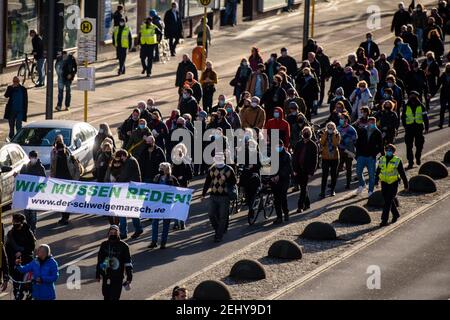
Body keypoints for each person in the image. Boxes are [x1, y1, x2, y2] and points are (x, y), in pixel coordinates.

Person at [202, 153, 237, 242]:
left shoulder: (229, 169)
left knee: (223, 217)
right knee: (211, 214)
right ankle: (218, 229)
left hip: (224, 197)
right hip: (213, 195)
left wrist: (226, 178)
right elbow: (207, 182)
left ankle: (218, 235)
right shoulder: (212, 169)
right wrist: (203, 194)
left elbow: (234, 182)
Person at [375, 144, 409, 227]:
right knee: (388, 200)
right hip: (384, 183)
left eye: (390, 150)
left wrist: (406, 185)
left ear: (393, 152)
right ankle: (396, 214)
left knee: (387, 202)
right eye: (387, 150)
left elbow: (402, 173)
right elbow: (378, 170)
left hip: (393, 183)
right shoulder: (382, 159)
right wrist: (376, 181)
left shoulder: (397, 160)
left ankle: (384, 220)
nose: (388, 152)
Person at [96, 225, 133, 300]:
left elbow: (128, 262)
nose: (113, 234)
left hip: (118, 276)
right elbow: (100, 260)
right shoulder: (104, 245)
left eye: (115, 233)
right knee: (106, 295)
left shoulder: (124, 246)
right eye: (111, 232)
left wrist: (129, 276)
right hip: (106, 275)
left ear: (118, 233)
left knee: (114, 297)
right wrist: (98, 274)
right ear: (108, 233)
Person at [148, 163, 180, 249]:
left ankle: (163, 242)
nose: (160, 170)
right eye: (160, 168)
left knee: (166, 224)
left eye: (162, 168)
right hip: (157, 204)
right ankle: (154, 241)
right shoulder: (157, 177)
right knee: (155, 223)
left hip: (167, 205)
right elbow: (152, 188)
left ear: (167, 169)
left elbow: (177, 190)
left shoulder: (172, 179)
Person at [50, 138, 81, 225]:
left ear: (64, 148)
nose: (60, 151)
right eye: (59, 149)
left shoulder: (71, 157)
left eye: (61, 149)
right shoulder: (55, 159)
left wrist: (75, 180)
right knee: (61, 200)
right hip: (59, 182)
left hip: (69, 182)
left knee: (67, 200)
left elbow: (77, 169)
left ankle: (65, 217)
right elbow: (52, 170)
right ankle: (64, 216)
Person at [5, 213, 36, 300]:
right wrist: (13, 256)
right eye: (13, 222)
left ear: (21, 222)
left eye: (16, 222)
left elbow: (31, 247)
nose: (14, 224)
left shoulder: (28, 232)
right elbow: (7, 248)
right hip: (15, 263)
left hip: (26, 261)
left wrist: (22, 252)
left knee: (28, 283)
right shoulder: (10, 234)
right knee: (17, 286)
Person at [116, 150, 143, 239]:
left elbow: (124, 175)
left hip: (131, 190)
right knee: (128, 210)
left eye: (120, 158)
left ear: (123, 156)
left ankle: (126, 231)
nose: (119, 160)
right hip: (129, 189)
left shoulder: (130, 162)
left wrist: (116, 182)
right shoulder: (129, 161)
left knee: (126, 210)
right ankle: (135, 229)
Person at [17, 150, 46, 233]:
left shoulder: (40, 168)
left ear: (37, 158)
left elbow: (43, 181)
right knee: (27, 213)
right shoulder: (25, 167)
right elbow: (21, 178)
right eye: (31, 157)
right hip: (26, 194)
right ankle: (29, 228)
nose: (33, 159)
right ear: (29, 158)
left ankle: (32, 230)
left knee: (33, 214)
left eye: (34, 158)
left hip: (34, 194)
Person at [355, 117, 383, 196]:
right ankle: (362, 184)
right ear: (367, 123)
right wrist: (357, 155)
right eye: (370, 122)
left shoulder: (378, 132)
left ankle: (370, 191)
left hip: (371, 157)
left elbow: (380, 145)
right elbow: (358, 143)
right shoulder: (362, 130)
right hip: (361, 156)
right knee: (358, 172)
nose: (372, 124)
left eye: (373, 123)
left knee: (371, 175)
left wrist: (375, 154)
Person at [293, 127, 318, 213]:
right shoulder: (299, 144)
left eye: (307, 132)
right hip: (298, 169)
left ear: (310, 134)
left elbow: (315, 160)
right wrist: (294, 169)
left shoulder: (313, 145)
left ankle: (300, 206)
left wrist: (311, 172)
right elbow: (295, 157)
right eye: (304, 131)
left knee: (303, 188)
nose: (305, 133)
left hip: (306, 170)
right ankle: (307, 204)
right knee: (303, 187)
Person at [402, 91, 429, 169]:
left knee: (419, 145)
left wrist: (426, 127)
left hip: (418, 128)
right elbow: (403, 117)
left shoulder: (421, 106)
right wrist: (405, 126)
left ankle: (418, 157)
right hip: (409, 128)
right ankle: (410, 162)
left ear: (417, 97)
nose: (412, 97)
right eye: (411, 95)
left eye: (414, 96)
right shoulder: (406, 106)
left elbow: (425, 117)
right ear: (409, 97)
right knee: (409, 146)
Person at [172, 143, 193, 230]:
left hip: (183, 186)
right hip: (176, 187)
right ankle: (176, 223)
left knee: (182, 206)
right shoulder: (173, 164)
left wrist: (183, 177)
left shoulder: (185, 162)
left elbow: (190, 175)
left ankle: (182, 223)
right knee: (176, 206)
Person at [271, 140, 293, 224]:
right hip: (274, 180)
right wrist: (271, 177)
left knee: (283, 197)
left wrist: (279, 176)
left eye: (279, 146)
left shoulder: (287, 155)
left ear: (282, 146)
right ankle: (279, 217)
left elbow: (288, 168)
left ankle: (286, 213)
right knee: (276, 199)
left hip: (284, 179)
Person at [319, 122, 341, 198]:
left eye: (331, 127)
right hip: (325, 157)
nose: (330, 129)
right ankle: (322, 192)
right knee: (324, 175)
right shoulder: (324, 133)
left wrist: (334, 135)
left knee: (333, 175)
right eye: (328, 127)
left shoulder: (337, 134)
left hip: (334, 157)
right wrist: (325, 134)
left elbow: (336, 144)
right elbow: (321, 142)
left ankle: (332, 190)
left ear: (334, 128)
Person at [337, 113, 358, 190]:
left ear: (346, 120)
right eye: (340, 118)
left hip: (349, 151)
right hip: (340, 151)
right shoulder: (338, 128)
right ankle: (333, 183)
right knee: (338, 168)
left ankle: (348, 183)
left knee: (348, 168)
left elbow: (354, 140)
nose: (341, 120)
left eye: (342, 118)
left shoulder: (351, 129)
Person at [436, 63, 450, 128]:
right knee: (442, 109)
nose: (448, 69)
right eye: (447, 67)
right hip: (444, 93)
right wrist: (432, 94)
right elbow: (438, 85)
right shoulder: (443, 75)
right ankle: (441, 123)